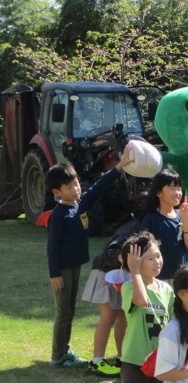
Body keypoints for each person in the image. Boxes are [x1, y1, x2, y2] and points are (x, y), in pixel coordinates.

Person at [46, 142, 133, 367]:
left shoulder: (80, 203)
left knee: (70, 309)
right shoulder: (58, 214)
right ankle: (58, 357)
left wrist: (120, 166)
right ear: (57, 192)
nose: (76, 189)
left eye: (75, 183)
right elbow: (52, 247)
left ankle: (65, 351)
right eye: (69, 187)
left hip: (74, 266)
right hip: (63, 269)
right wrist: (55, 274)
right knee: (64, 312)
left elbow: (99, 186)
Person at [94, 231, 174, 383]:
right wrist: (135, 271)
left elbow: (173, 322)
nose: (158, 262)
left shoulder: (167, 289)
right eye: (150, 259)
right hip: (135, 360)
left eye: (158, 256)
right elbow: (142, 300)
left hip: (158, 361)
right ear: (134, 264)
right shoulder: (129, 287)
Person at [82, 212, 143, 377]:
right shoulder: (140, 226)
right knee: (108, 318)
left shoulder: (134, 222)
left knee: (123, 315)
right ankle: (97, 361)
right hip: (108, 272)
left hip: (119, 274)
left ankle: (122, 358)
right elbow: (116, 254)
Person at [141, 166, 188, 283]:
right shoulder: (151, 218)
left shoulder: (181, 215)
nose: (177, 193)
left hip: (181, 277)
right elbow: (144, 249)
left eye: (179, 188)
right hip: (160, 278)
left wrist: (185, 218)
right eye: (172, 188)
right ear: (158, 192)